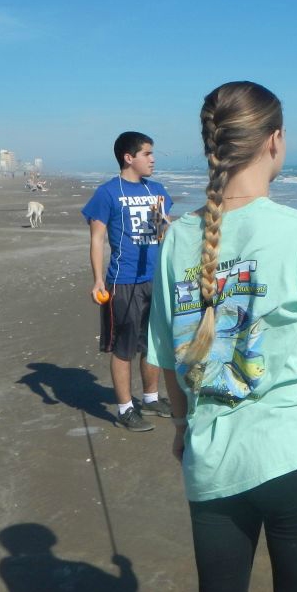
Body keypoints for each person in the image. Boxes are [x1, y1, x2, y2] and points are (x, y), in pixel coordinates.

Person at [149, 81, 297, 592]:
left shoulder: (178, 240)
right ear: (275, 142)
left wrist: (183, 428)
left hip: (212, 456)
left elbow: (169, 360)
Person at [83, 131, 175, 432]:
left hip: (155, 279)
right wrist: (98, 280)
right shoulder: (107, 193)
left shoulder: (157, 190)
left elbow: (165, 232)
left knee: (154, 343)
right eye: (147, 153)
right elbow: (97, 239)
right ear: (128, 157)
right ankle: (124, 408)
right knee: (124, 347)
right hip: (122, 282)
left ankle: (150, 399)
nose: (152, 159)